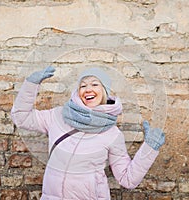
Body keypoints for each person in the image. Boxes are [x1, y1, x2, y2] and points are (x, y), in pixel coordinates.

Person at [11, 66, 165, 200]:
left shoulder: (112, 134)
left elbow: (127, 179)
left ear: (105, 91)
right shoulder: (57, 116)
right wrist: (30, 85)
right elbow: (21, 118)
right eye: (83, 85)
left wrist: (150, 148)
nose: (88, 89)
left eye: (95, 84)